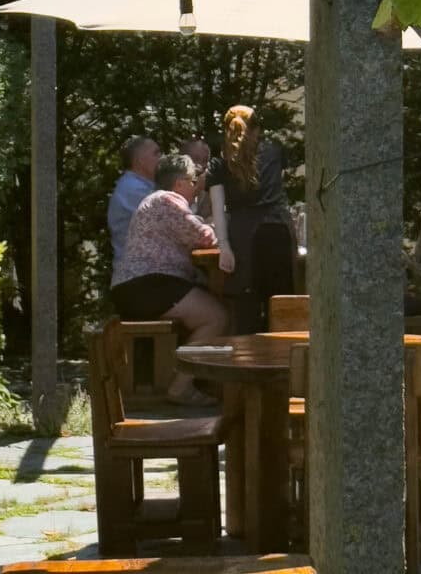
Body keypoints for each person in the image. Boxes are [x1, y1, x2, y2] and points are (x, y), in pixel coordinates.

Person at [111, 152, 229, 406]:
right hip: (148, 285)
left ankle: (200, 381)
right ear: (179, 183)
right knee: (216, 317)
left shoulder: (158, 201)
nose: (196, 186)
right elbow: (206, 237)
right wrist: (221, 225)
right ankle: (180, 387)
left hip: (140, 285)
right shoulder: (168, 200)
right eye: (193, 180)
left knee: (207, 306)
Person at [207, 105, 295, 334]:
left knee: (246, 307)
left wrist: (224, 246)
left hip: (243, 236)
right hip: (277, 229)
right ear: (257, 130)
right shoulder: (274, 152)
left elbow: (218, 208)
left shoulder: (219, 164)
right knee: (281, 304)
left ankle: (246, 353)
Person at [106, 136, 160, 266]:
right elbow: (173, 221)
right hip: (139, 272)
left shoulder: (144, 186)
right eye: (156, 153)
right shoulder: (133, 188)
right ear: (140, 161)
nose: (162, 158)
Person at [180, 137, 211, 218]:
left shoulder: (206, 186)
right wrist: (196, 190)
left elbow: (203, 216)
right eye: (195, 159)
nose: (201, 165)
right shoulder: (173, 186)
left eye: (205, 160)